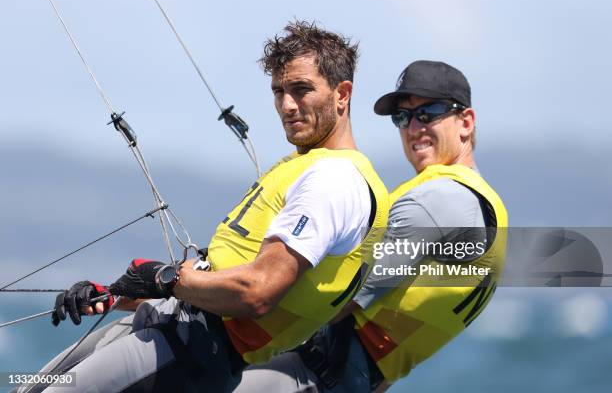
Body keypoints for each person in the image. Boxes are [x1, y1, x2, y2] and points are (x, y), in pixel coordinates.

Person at [23, 21, 389, 393]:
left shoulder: (334, 181)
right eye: (279, 91)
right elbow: (213, 280)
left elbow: (257, 291)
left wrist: (168, 278)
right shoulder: (312, 167)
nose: (287, 105)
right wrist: (114, 294)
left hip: (191, 352)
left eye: (301, 90)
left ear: (342, 94)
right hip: (169, 328)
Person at [234, 60, 508, 392]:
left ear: (466, 122)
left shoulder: (438, 201)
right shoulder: (485, 205)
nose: (413, 127)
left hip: (312, 373)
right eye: (402, 118)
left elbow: (340, 298)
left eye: (428, 112)